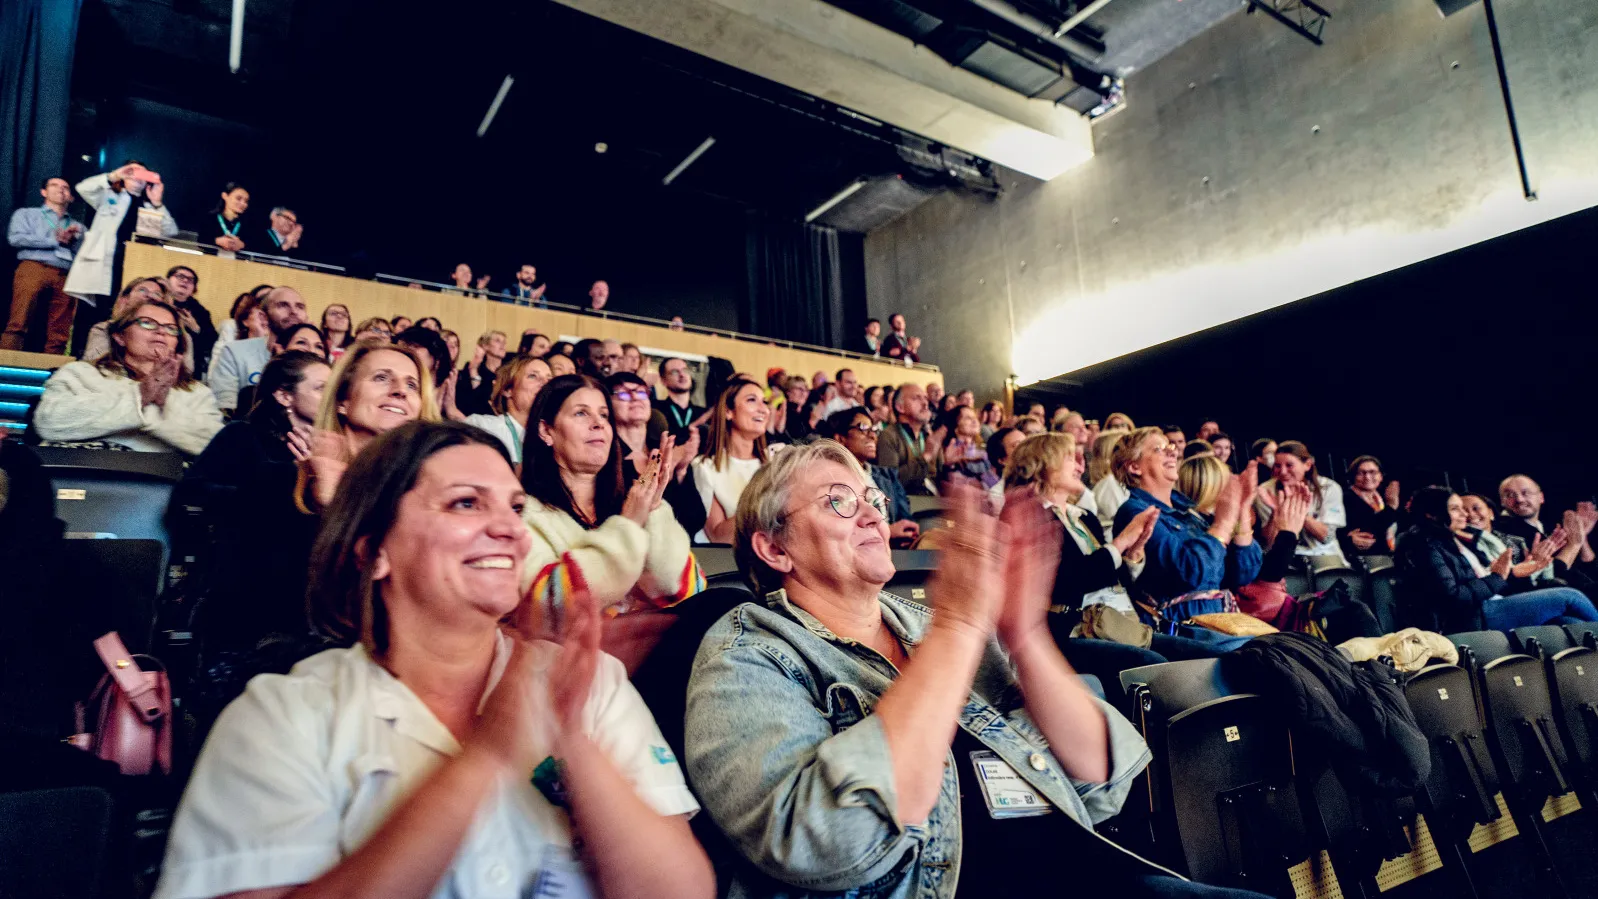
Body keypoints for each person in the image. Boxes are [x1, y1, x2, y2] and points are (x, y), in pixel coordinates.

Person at [156, 421, 714, 899]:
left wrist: (574, 743)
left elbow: (682, 890)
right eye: (466, 503)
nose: (510, 529)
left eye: (515, 507)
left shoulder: (589, 681)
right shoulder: (281, 716)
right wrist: (484, 757)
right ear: (373, 551)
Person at [684, 442, 1261, 899]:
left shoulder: (924, 621)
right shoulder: (747, 651)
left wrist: (1024, 634)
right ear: (774, 549)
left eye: (872, 499)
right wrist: (959, 627)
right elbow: (824, 842)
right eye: (839, 500)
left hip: (1075, 871)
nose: (871, 515)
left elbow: (1103, 779)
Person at [519, 374, 705, 622]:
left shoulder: (630, 502)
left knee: (723, 601)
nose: (598, 424)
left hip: (656, 647)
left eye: (604, 415)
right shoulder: (525, 514)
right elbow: (550, 607)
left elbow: (690, 591)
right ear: (546, 430)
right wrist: (628, 525)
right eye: (581, 413)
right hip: (579, 656)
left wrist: (654, 510)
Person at [179, 350, 329, 650]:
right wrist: (288, 479)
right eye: (321, 387)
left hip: (315, 588)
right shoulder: (243, 436)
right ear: (284, 396)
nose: (334, 395)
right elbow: (191, 494)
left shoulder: (338, 446)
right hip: (249, 581)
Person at [1395, 486, 1598, 632]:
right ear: (1432, 514)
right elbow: (1453, 597)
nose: (1464, 514)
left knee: (1571, 623)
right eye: (1455, 508)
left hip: (1485, 607)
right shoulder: (1423, 545)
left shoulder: (1452, 541)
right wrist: (1498, 577)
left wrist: (1512, 574)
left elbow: (1482, 581)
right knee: (1569, 597)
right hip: (1468, 619)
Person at [34, 298, 223, 454]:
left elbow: (216, 447)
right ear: (120, 336)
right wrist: (141, 397)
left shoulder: (197, 392)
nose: (161, 331)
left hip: (161, 485)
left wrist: (145, 409)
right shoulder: (79, 373)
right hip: (79, 477)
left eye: (170, 328)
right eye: (147, 323)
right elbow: (48, 422)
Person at [1114, 427, 1262, 604]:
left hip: (1215, 618)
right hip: (1180, 626)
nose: (1172, 451)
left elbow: (1243, 574)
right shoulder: (1136, 512)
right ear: (1134, 466)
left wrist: (1242, 511)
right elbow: (1189, 574)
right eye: (1158, 449)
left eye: (1170, 446)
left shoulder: (1189, 510)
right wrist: (1222, 524)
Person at [295, 340, 439, 514]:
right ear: (342, 400)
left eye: (411, 385)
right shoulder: (288, 480)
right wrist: (323, 501)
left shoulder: (429, 490)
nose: (401, 391)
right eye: (381, 378)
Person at [63, 162, 179, 355]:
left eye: (143, 175)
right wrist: (114, 175)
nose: (137, 179)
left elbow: (169, 231)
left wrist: (157, 202)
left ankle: (112, 357)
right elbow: (83, 188)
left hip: (132, 268)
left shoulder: (149, 206)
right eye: (132, 173)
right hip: (103, 265)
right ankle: (81, 356)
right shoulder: (110, 195)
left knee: (122, 315)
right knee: (90, 315)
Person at [5, 176, 84, 353]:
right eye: (54, 185)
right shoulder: (26, 214)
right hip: (34, 267)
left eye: (66, 187)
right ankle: (6, 363)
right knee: (19, 319)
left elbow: (84, 254)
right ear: (44, 192)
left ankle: (53, 369)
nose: (61, 190)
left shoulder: (77, 226)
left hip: (66, 273)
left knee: (60, 328)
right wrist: (53, 240)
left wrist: (73, 240)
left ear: (70, 196)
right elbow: (15, 238)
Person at [691, 378, 772, 544]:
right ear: (728, 411)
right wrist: (769, 501)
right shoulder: (705, 467)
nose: (763, 409)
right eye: (752, 400)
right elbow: (718, 536)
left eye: (764, 402)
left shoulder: (775, 462)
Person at [208, 286, 310, 414]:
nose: (293, 311)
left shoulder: (315, 358)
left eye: (300, 307)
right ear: (263, 317)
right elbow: (225, 411)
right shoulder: (234, 352)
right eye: (283, 305)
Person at [825, 406, 919, 544]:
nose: (872, 436)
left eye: (874, 430)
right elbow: (837, 528)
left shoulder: (888, 475)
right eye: (863, 428)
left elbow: (905, 517)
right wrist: (888, 531)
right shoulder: (830, 479)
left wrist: (909, 530)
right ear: (840, 438)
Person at [1255, 441, 1347, 567]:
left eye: (1289, 465)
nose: (1282, 472)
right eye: (1277, 466)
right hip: (1285, 556)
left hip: (1324, 554)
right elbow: (1270, 543)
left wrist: (1297, 509)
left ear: (1307, 465)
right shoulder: (1265, 491)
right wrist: (1277, 512)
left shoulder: (1329, 488)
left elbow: (1326, 537)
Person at [81, 277, 195, 374]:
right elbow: (94, 367)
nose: (150, 296)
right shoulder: (104, 329)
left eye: (157, 294)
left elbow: (185, 375)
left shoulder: (183, 337)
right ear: (125, 300)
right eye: (142, 290)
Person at [464, 354, 551, 466]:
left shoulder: (554, 438)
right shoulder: (482, 427)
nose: (545, 384)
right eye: (533, 376)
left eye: (549, 379)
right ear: (507, 389)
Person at [874, 382, 940, 496]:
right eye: (916, 398)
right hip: (906, 504)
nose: (925, 403)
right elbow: (890, 481)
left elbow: (939, 476)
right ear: (900, 407)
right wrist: (925, 457)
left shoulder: (928, 436)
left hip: (934, 501)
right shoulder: (889, 435)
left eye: (925, 398)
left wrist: (952, 464)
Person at [164, 265, 218, 377]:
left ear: (194, 289)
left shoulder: (201, 312)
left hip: (190, 369)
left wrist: (196, 329)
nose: (185, 281)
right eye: (180, 276)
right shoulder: (157, 303)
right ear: (167, 281)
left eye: (190, 280)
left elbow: (212, 344)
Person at [1343, 455, 1402, 558]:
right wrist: (1391, 507)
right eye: (1361, 473)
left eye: (1372, 472)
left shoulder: (1381, 500)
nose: (1367, 477)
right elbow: (1370, 530)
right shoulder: (1346, 498)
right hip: (1361, 561)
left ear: (1381, 476)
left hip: (1386, 559)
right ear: (1353, 477)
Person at [938, 404, 998, 488]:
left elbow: (993, 485)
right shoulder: (947, 451)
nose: (974, 421)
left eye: (974, 417)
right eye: (967, 418)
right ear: (955, 425)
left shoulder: (983, 453)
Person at [454, 330, 507, 417]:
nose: (503, 345)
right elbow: (469, 402)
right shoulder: (473, 368)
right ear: (485, 346)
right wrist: (473, 371)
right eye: (497, 341)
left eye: (504, 342)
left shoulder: (508, 370)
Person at [654, 357, 703, 442]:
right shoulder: (655, 410)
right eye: (674, 372)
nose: (682, 375)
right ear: (663, 380)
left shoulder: (703, 412)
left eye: (685, 370)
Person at [206, 183, 251, 252]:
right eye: (238, 198)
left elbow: (257, 247)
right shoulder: (210, 218)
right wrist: (217, 241)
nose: (243, 204)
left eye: (246, 201)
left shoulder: (248, 224)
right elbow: (200, 241)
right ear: (225, 196)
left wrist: (242, 245)